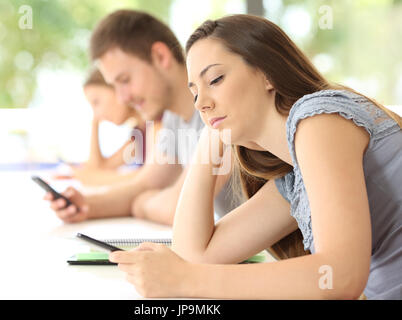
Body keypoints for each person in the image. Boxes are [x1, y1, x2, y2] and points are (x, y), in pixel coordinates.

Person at [108, 14, 402, 300]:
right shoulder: (294, 178)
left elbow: (339, 276)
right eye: (194, 92)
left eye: (215, 79)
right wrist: (210, 139)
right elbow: (195, 255)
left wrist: (185, 279)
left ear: (267, 74)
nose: (201, 103)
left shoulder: (319, 120)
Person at [43, 10, 236, 225]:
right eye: (114, 86)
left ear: (160, 56)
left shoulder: (217, 114)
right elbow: (146, 184)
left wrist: (140, 204)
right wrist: (85, 204)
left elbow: (180, 208)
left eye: (124, 80)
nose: (122, 98)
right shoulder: (174, 118)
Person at [54, 68, 154, 186]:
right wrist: (94, 123)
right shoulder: (139, 135)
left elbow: (151, 178)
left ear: (117, 88)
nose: (97, 114)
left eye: (96, 102)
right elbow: (99, 168)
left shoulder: (157, 124)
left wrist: (86, 176)